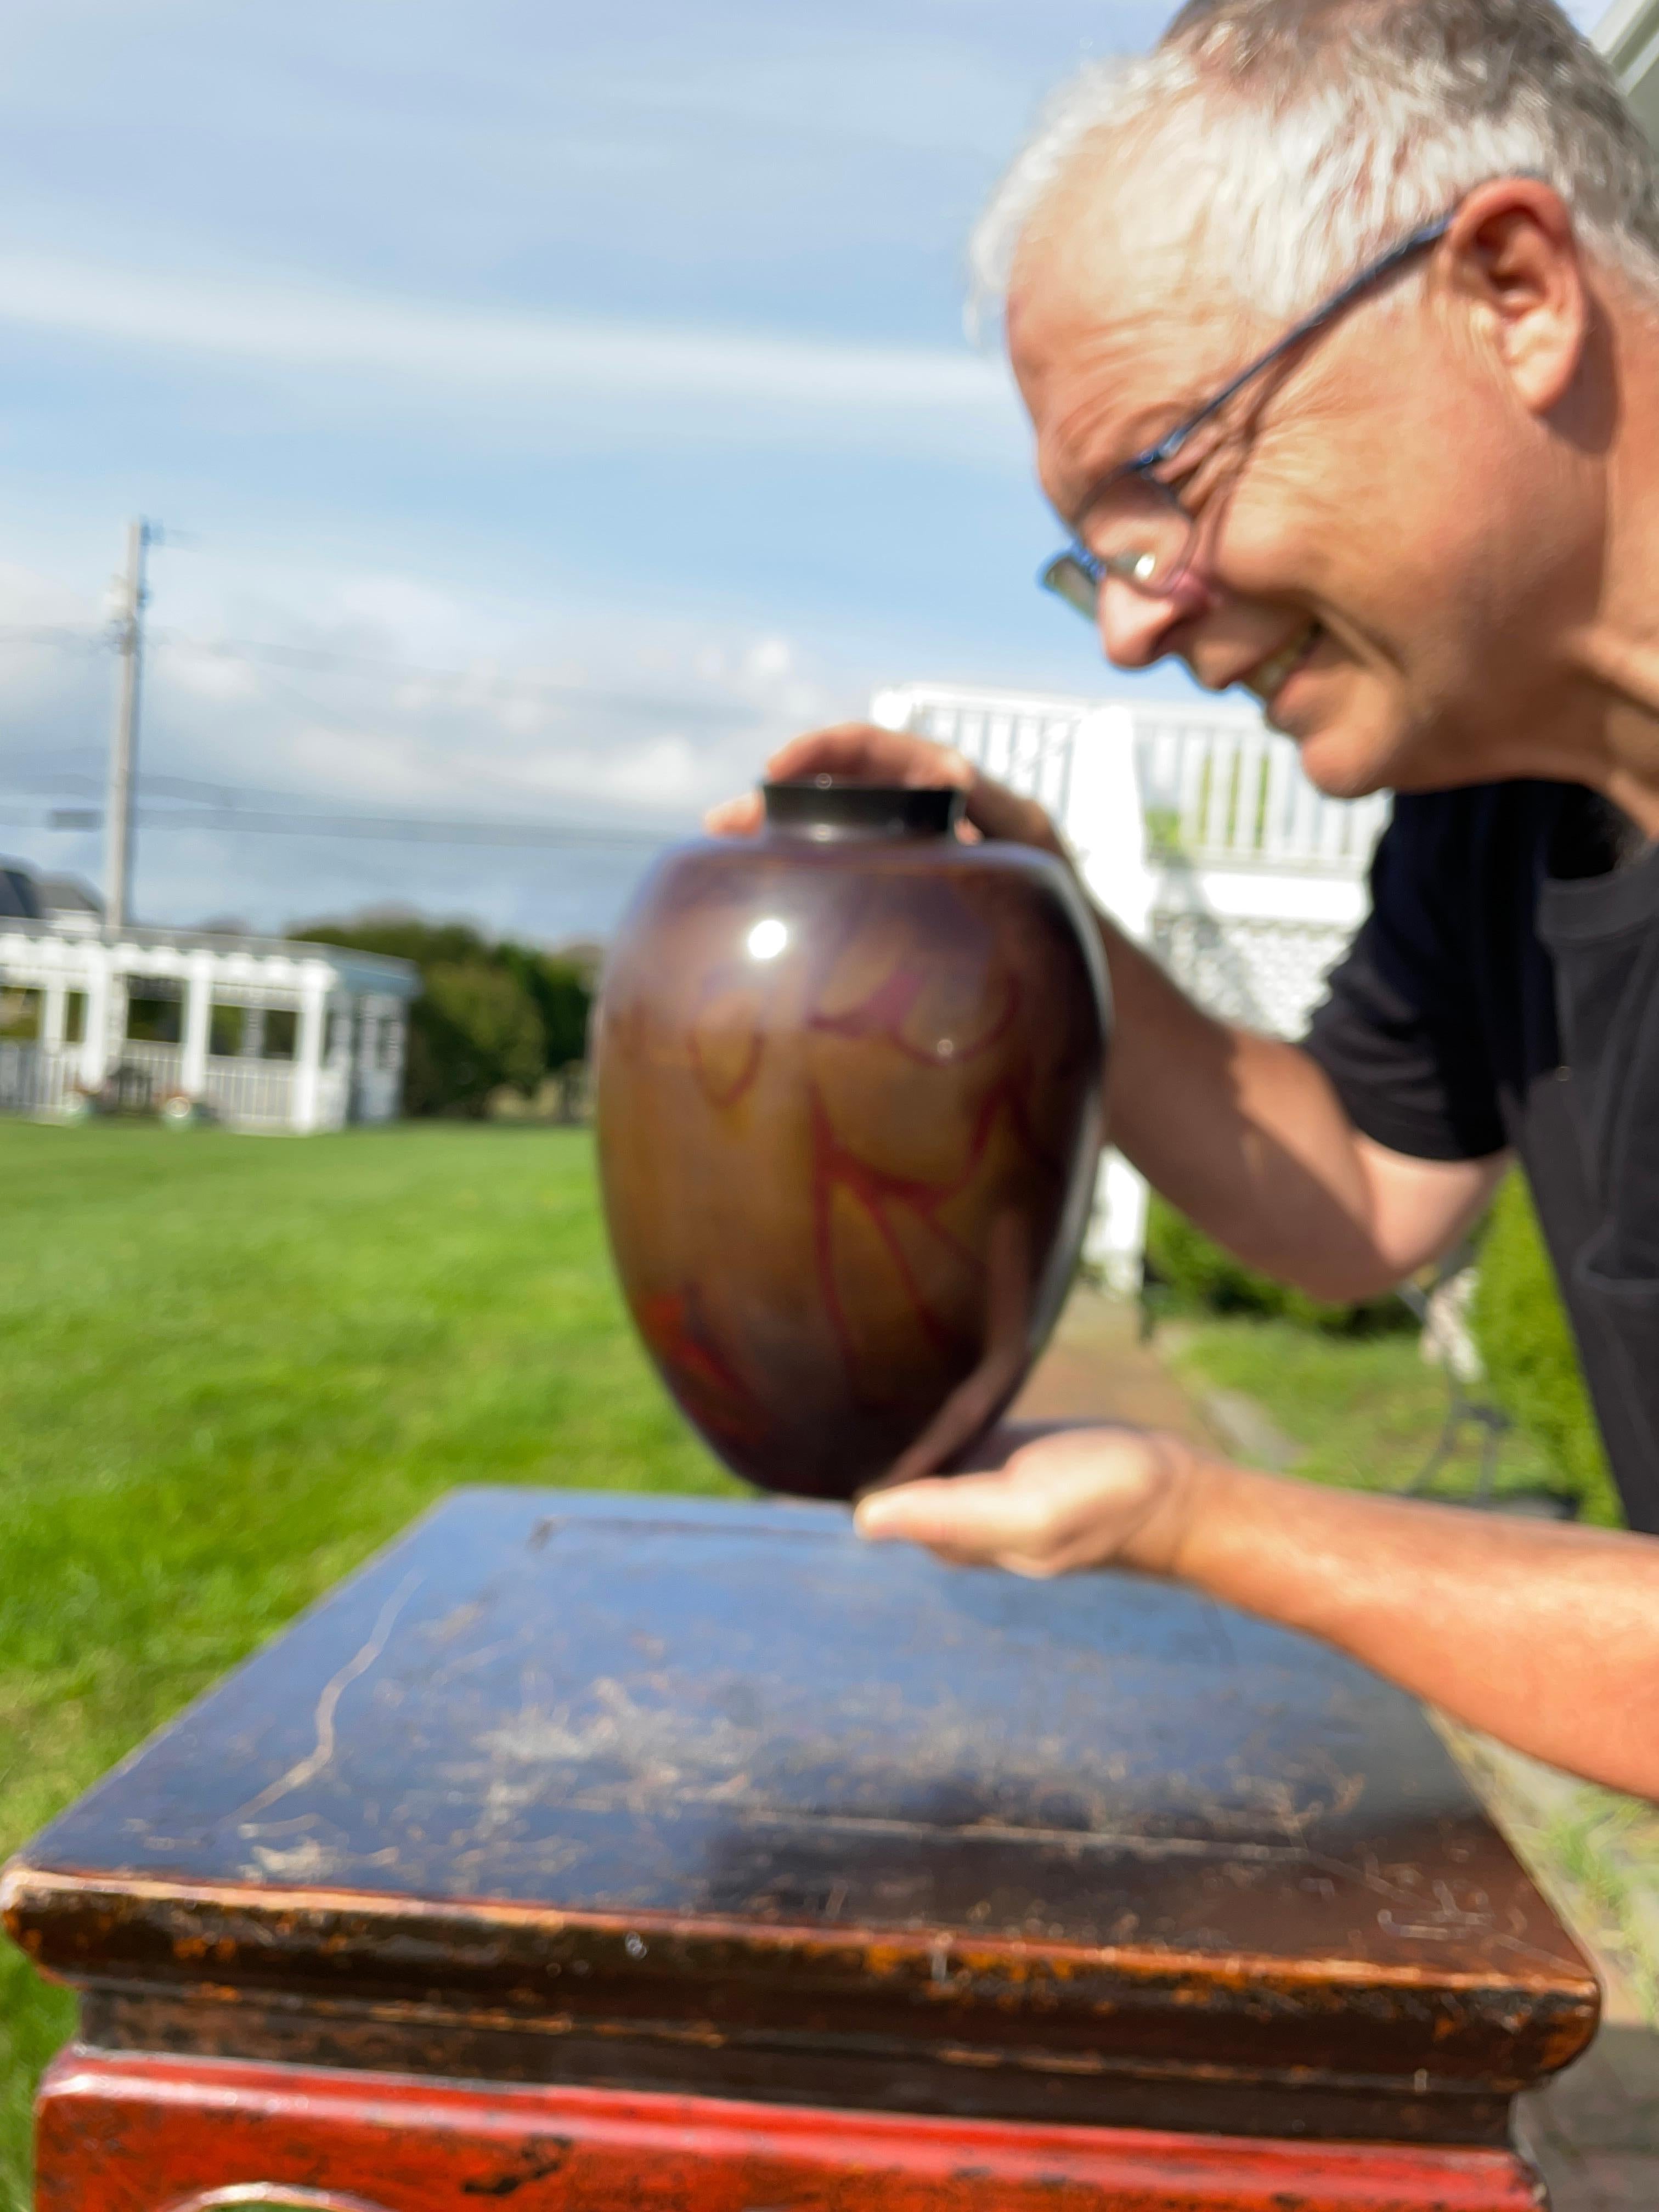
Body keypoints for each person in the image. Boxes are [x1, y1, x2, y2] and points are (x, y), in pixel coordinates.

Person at [709, 0, 1659, 1801]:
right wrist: (1038, 903)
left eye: (1167, 479)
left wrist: (1198, 1521)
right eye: (1103, 556)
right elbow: (1361, 1202)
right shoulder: (1503, 803)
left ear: (1513, 290)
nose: (1140, 624)